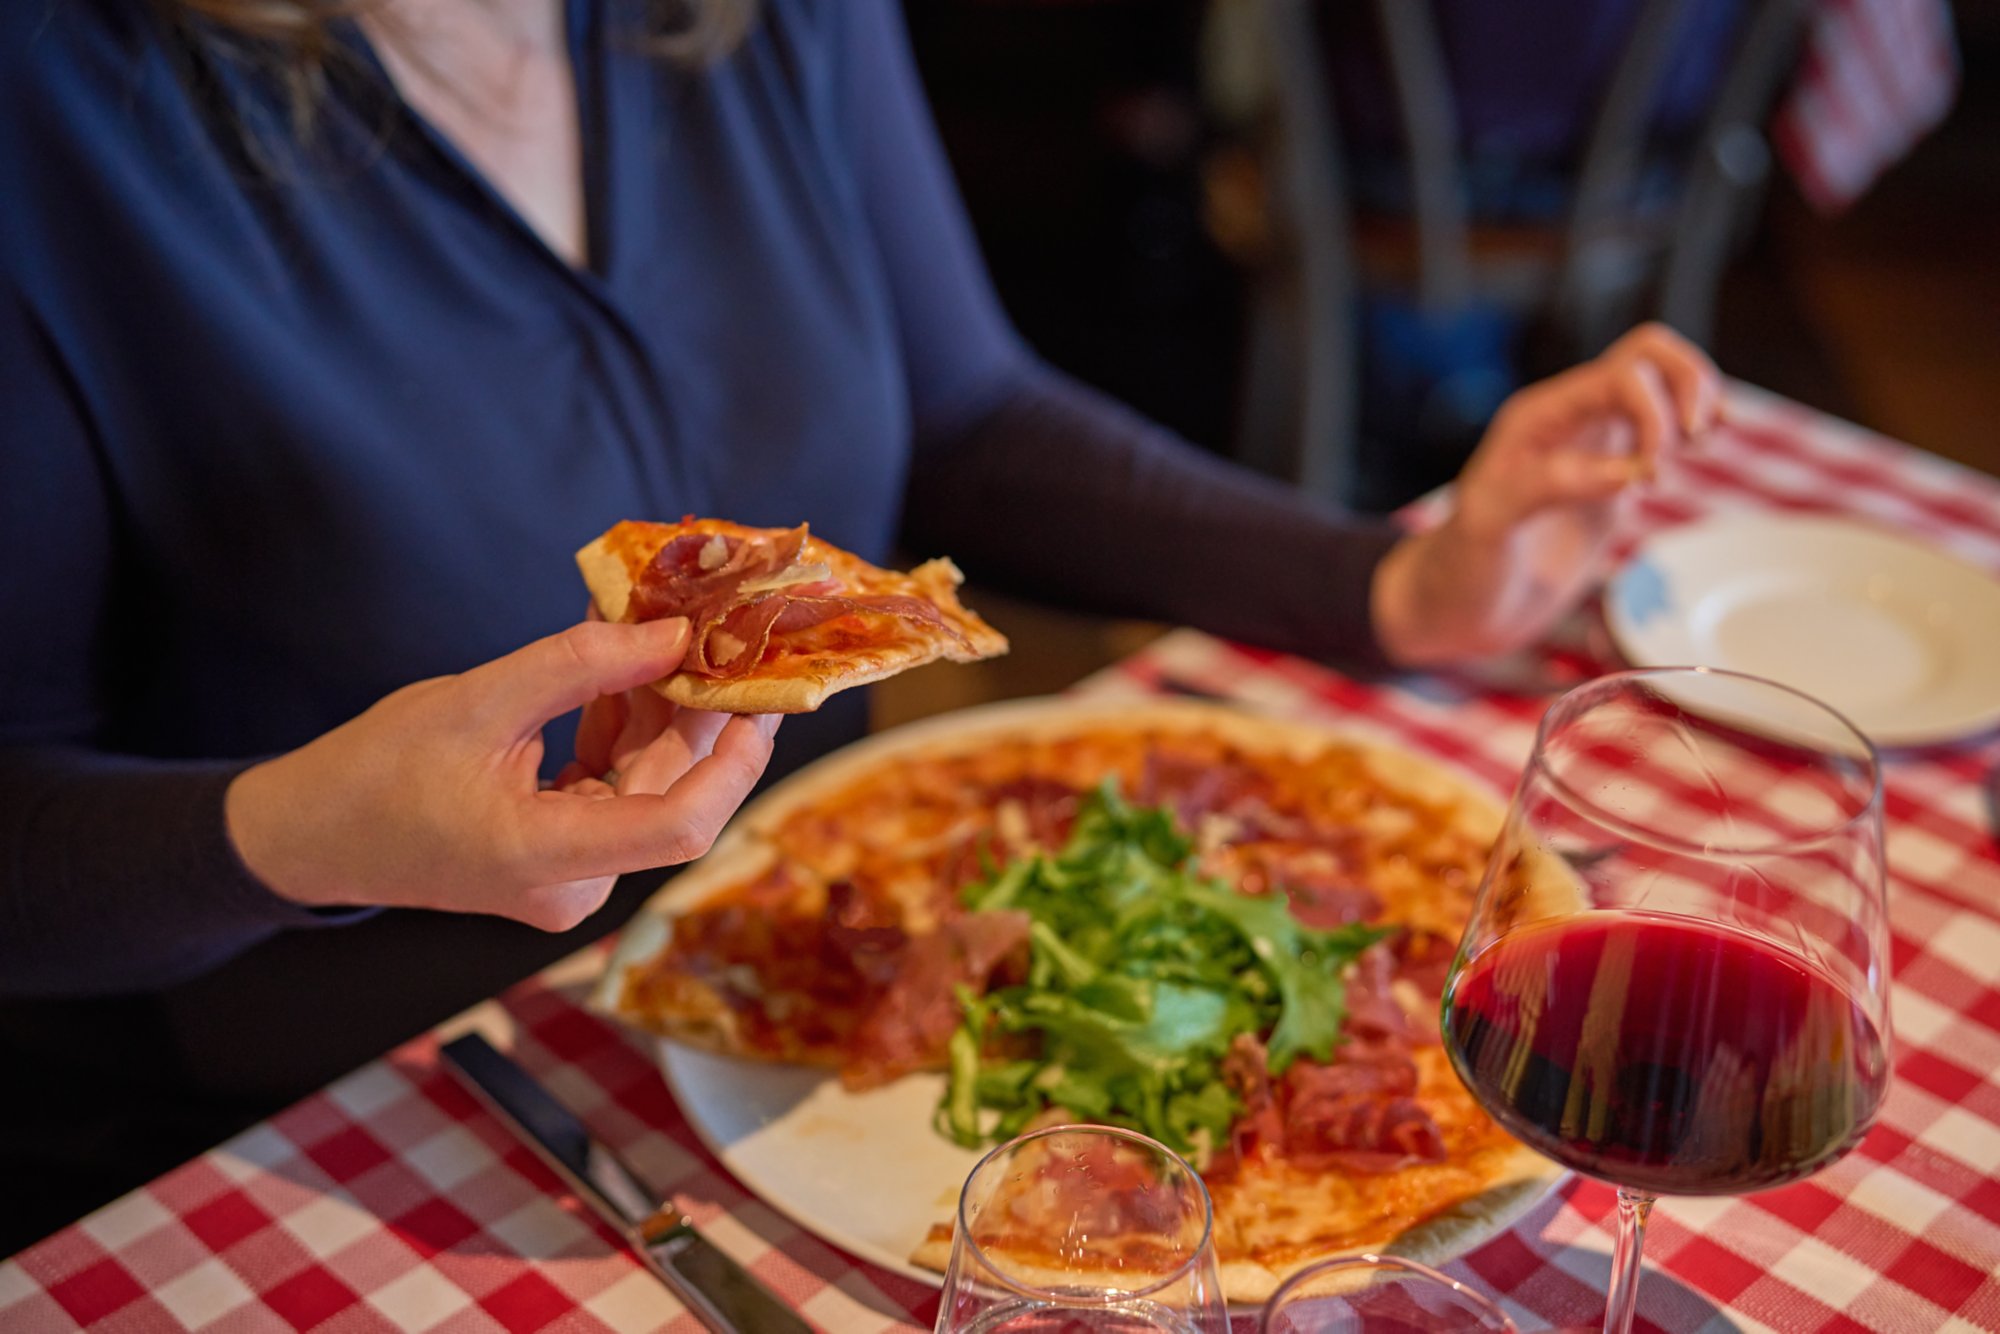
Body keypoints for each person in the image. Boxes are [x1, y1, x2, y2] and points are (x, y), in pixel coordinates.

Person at [0, 0, 1720, 1250]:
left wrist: (1388, 584)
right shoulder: (49, 105)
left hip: (860, 1044)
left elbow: (964, 414)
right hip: (343, 1146)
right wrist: (302, 834)